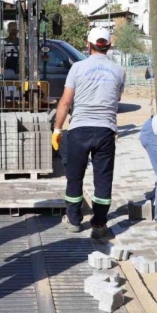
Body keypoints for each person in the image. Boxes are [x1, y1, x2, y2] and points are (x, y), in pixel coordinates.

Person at [52, 27, 125, 239]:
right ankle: (100, 224)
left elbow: (66, 101)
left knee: (74, 177)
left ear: (88, 44)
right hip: (105, 131)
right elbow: (117, 99)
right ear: (109, 46)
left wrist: (57, 129)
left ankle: (74, 221)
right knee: (103, 179)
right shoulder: (119, 71)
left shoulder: (77, 68)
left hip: (79, 130)